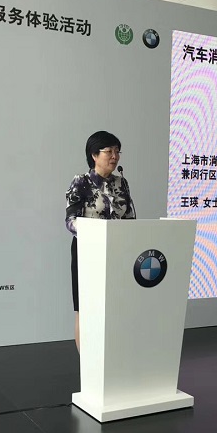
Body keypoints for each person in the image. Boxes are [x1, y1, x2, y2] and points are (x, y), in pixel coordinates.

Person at [65, 131, 136, 352]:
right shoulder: (82, 182)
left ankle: (111, 358)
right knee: (86, 308)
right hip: (88, 252)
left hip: (117, 251)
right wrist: (97, 232)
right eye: (109, 151)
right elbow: (70, 221)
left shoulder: (121, 183)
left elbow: (130, 218)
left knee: (113, 306)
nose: (114, 156)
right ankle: (86, 362)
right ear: (94, 155)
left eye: (117, 151)